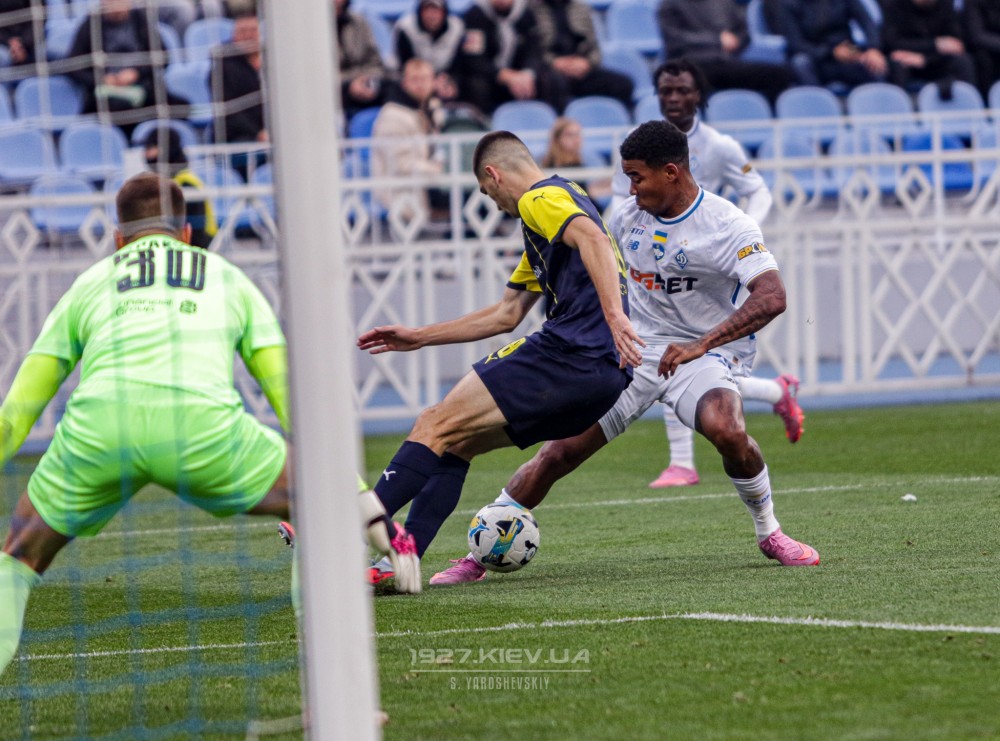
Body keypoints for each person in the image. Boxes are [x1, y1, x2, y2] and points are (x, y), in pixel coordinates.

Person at [0, 173, 419, 675]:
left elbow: (16, 415)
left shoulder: (90, 283)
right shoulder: (227, 277)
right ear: (186, 234)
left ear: (118, 240)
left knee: (17, 557)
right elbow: (293, 402)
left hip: (100, 431)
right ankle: (334, 691)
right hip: (201, 429)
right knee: (317, 505)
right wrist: (358, 500)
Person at [430, 119, 820, 586]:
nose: (630, 189)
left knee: (728, 430)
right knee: (560, 452)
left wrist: (700, 344)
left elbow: (772, 296)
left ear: (671, 172)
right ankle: (478, 554)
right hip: (631, 348)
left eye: (637, 177)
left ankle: (770, 532)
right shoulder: (624, 219)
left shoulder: (728, 224)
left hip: (701, 353)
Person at [356, 130, 643, 581]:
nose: (494, 204)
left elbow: (595, 240)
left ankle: (348, 530)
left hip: (571, 354)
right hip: (605, 379)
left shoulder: (538, 199)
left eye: (487, 192)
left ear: (493, 174)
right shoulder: (556, 214)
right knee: (456, 443)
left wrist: (614, 316)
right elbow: (506, 314)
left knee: (433, 423)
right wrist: (420, 336)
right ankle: (399, 565)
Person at [610, 58, 803, 489]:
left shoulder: (719, 146)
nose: (674, 98)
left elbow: (758, 191)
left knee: (694, 361)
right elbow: (621, 203)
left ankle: (687, 461)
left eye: (683, 90)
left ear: (699, 95)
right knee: (669, 349)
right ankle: (688, 458)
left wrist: (744, 237)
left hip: (705, 259)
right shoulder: (638, 147)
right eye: (666, 91)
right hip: (653, 250)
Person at [66, 0, 189, 137]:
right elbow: (74, 66)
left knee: (181, 107)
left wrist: (136, 73)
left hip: (142, 89)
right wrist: (102, 79)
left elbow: (163, 57)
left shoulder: (140, 19)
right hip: (108, 95)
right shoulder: (91, 25)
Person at [656, 0, 795, 104]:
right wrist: (717, 40)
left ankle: (763, 122)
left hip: (725, 61)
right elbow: (675, 40)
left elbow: (743, 33)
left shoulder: (723, 2)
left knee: (780, 75)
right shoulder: (670, 3)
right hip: (691, 64)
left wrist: (736, 41)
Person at [371, 57, 449, 225]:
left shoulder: (432, 109)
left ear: (433, 81)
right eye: (415, 79)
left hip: (427, 184)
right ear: (404, 83)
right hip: (401, 191)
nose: (420, 84)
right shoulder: (392, 115)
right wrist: (440, 172)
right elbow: (401, 165)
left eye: (425, 78)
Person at [452, 0, 557, 115]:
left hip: (519, 73)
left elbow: (534, 50)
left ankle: (544, 119)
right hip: (490, 75)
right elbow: (473, 58)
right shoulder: (475, 15)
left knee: (548, 79)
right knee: (477, 86)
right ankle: (482, 122)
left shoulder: (525, 13)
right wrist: (504, 75)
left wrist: (528, 73)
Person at [533, 0, 634, 113]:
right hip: (551, 71)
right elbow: (533, 51)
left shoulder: (581, 8)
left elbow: (594, 47)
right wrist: (553, 62)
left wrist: (588, 63)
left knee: (623, 85)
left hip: (581, 67)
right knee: (554, 84)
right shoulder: (533, 10)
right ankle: (562, 122)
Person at [766, 0, 888, 89]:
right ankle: (817, 108)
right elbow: (795, 43)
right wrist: (831, 52)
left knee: (873, 62)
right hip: (814, 53)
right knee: (800, 62)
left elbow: (867, 22)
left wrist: (873, 48)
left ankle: (882, 107)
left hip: (847, 49)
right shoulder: (788, 4)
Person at [143, 126, 218, 248]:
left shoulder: (186, 183)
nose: (145, 153)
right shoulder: (169, 180)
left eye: (150, 148)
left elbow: (195, 232)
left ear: (166, 150)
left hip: (199, 250)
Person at [881, 0, 976, 95]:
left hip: (935, 61)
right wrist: (935, 44)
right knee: (897, 63)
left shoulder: (946, 5)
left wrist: (925, 59)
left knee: (963, 61)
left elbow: (956, 45)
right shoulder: (894, 5)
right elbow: (892, 43)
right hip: (908, 62)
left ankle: (967, 100)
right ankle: (898, 101)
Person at [392, 0, 464, 104]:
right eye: (427, 10)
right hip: (414, 78)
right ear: (420, 12)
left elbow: (461, 64)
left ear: (444, 12)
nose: (432, 16)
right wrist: (428, 82)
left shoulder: (457, 29)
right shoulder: (405, 28)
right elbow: (403, 65)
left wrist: (451, 81)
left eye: (436, 11)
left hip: (444, 77)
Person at [210, 13, 267, 145]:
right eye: (242, 31)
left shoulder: (275, 61)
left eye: (253, 30)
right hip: (239, 136)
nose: (248, 36)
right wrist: (258, 133)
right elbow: (229, 111)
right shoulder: (223, 67)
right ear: (233, 36)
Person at [334, 0, 393, 121]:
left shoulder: (360, 22)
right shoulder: (315, 30)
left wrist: (365, 78)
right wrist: (349, 83)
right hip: (336, 85)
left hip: (364, 79)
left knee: (392, 87)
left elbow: (375, 61)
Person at [541, 116, 612, 208]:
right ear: (557, 138)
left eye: (578, 134)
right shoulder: (550, 165)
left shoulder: (579, 163)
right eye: (570, 135)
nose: (576, 139)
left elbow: (584, 193)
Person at [962, 0, 1000, 99]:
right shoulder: (973, 3)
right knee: (982, 58)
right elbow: (976, 35)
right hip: (985, 52)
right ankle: (986, 102)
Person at [0, 0, 35, 69]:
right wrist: (9, 42)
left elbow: (39, 16)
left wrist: (23, 42)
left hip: (30, 39)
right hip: (3, 42)